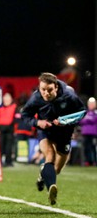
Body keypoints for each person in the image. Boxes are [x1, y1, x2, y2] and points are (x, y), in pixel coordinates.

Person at [21, 72, 85, 205]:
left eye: (49, 90)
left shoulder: (69, 95)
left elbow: (82, 112)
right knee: (49, 156)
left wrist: (65, 121)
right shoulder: (35, 98)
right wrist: (38, 123)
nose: (45, 93)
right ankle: (52, 188)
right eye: (42, 89)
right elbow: (25, 115)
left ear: (55, 87)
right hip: (46, 132)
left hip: (64, 133)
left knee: (58, 169)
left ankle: (43, 176)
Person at [0, 93, 17, 167]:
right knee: (1, 146)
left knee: (9, 146)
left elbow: (16, 118)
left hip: (10, 129)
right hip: (1, 129)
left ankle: (8, 161)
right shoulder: (0, 108)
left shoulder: (14, 107)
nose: (6, 101)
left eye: (8, 99)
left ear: (11, 100)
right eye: (5, 99)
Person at [79, 97, 97, 166]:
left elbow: (93, 120)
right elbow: (80, 121)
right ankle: (88, 161)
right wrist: (87, 120)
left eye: (92, 104)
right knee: (86, 148)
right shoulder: (85, 112)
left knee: (92, 148)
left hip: (93, 134)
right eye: (90, 104)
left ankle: (94, 161)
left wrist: (86, 120)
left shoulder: (95, 112)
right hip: (85, 133)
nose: (91, 105)